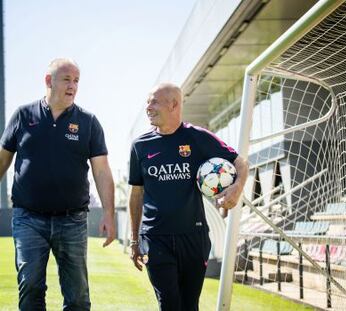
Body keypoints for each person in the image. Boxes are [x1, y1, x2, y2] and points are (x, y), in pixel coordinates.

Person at [0, 58, 116, 311]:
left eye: (76, 81)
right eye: (67, 79)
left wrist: (108, 212)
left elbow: (102, 170)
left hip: (72, 220)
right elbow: (2, 160)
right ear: (48, 81)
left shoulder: (88, 121)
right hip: (28, 217)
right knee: (30, 287)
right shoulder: (23, 115)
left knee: (77, 296)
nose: (73, 85)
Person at [128, 83, 248, 310]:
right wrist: (135, 240)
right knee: (170, 304)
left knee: (190, 305)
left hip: (194, 237)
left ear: (173, 104)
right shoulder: (140, 146)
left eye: (154, 102)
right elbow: (136, 193)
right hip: (156, 237)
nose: (148, 107)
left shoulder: (199, 138)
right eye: (147, 102)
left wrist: (237, 187)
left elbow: (240, 162)